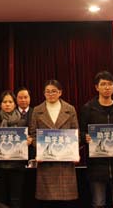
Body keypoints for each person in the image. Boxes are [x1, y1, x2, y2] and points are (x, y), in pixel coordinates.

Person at [80, 71, 113, 208]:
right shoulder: (88, 108)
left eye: (110, 84)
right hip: (97, 166)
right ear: (96, 87)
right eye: (103, 84)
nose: (107, 87)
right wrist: (85, 137)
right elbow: (81, 132)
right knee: (99, 203)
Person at [29, 79, 79, 207]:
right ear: (44, 93)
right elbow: (33, 134)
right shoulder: (37, 110)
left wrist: (74, 152)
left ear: (60, 92)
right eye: (47, 92)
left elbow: (75, 133)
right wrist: (40, 149)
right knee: (47, 202)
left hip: (65, 162)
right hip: (46, 161)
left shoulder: (70, 109)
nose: (50, 94)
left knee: (65, 202)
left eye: (54, 91)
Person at [0, 90, 31, 208]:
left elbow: (28, 141)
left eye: (10, 102)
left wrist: (29, 141)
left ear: (15, 104)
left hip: (17, 167)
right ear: (0, 104)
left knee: (16, 199)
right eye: (4, 102)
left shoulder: (22, 122)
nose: (7, 104)